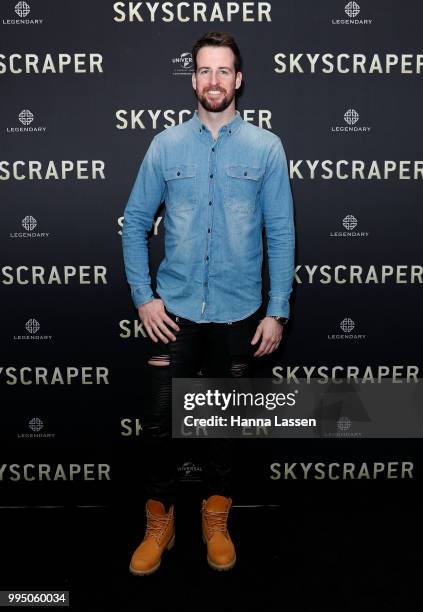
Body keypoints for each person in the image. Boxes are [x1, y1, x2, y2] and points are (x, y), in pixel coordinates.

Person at [122, 31, 295, 576]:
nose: (214, 80)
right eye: (204, 71)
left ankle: (216, 514)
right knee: (158, 427)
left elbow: (281, 232)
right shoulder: (165, 146)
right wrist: (144, 298)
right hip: (171, 313)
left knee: (222, 427)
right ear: (193, 79)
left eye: (224, 71)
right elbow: (133, 228)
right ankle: (161, 519)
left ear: (238, 80)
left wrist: (277, 307)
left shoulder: (266, 148)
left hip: (239, 312)